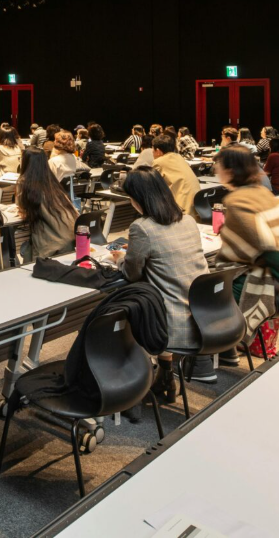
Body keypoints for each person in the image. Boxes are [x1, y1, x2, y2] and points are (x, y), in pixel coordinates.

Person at [106, 168, 212, 393]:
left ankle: (131, 389)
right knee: (159, 297)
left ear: (138, 199)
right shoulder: (188, 220)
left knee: (120, 312)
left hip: (172, 325)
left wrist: (120, 258)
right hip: (203, 316)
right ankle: (164, 376)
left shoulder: (142, 228)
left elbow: (131, 274)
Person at [214, 147, 279, 363]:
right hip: (272, 277)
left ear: (230, 170)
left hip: (253, 280)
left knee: (199, 286)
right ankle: (228, 346)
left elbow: (268, 246)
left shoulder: (237, 201)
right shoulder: (264, 194)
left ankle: (223, 347)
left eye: (219, 166)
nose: (216, 169)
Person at [16, 150, 77, 261]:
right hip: (71, 239)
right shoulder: (51, 180)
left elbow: (24, 214)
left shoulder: (24, 182)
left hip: (52, 243)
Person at [148, 132, 198, 215]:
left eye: (152, 149)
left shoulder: (159, 162)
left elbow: (151, 186)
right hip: (195, 207)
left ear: (158, 151)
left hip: (181, 209)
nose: (152, 152)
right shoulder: (179, 157)